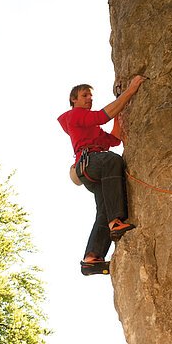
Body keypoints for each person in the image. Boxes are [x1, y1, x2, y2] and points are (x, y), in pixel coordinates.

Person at [58, 76, 145, 275]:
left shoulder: (91, 129)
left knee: (103, 210)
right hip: (91, 162)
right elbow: (101, 116)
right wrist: (129, 92)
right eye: (84, 95)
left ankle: (92, 258)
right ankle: (116, 221)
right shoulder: (74, 115)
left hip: (90, 171)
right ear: (74, 100)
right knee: (112, 160)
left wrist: (120, 113)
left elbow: (114, 139)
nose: (89, 98)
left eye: (90, 95)